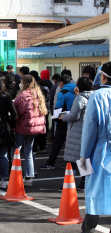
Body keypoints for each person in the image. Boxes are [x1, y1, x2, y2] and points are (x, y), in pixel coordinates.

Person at [80, 62, 111, 233]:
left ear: (104, 76)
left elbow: (90, 130)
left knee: (94, 196)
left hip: (101, 152)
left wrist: (83, 158)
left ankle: (89, 228)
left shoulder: (97, 96)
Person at [59, 77, 93, 191]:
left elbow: (74, 115)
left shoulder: (79, 98)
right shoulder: (93, 96)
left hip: (76, 131)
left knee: (71, 159)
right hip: (87, 129)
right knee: (84, 157)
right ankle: (85, 182)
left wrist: (63, 117)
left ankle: (69, 183)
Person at [14, 75, 47, 186]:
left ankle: (15, 174)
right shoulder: (38, 93)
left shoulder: (23, 95)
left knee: (17, 150)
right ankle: (29, 177)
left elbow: (17, 110)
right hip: (35, 127)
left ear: (25, 83)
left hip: (23, 125)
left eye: (21, 82)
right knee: (29, 151)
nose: (20, 83)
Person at [40, 75, 76, 170]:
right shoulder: (75, 92)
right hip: (74, 121)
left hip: (63, 122)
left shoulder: (62, 93)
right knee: (71, 145)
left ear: (61, 83)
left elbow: (58, 109)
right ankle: (71, 163)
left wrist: (56, 118)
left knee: (57, 144)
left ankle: (50, 163)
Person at [48, 74, 61, 143]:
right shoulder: (73, 85)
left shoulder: (54, 86)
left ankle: (53, 137)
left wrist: (51, 108)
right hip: (65, 110)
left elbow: (51, 98)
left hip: (56, 108)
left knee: (54, 123)